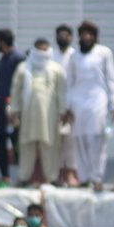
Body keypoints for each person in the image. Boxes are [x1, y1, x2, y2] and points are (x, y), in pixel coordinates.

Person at [65, 21, 114, 191]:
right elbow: (69, 82)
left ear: (95, 37)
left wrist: (113, 104)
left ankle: (96, 177)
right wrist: (67, 107)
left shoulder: (104, 53)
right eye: (83, 34)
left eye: (90, 34)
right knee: (80, 140)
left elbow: (111, 79)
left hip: (98, 101)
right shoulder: (74, 56)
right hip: (77, 103)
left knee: (96, 140)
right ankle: (83, 177)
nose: (86, 37)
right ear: (79, 36)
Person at [9, 39, 67, 185]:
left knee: (50, 146)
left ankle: (52, 178)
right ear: (34, 50)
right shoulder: (23, 68)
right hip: (28, 114)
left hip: (50, 115)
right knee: (26, 146)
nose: (41, 54)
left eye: (44, 50)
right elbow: (15, 92)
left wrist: (62, 111)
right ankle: (24, 177)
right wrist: (14, 111)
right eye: (39, 51)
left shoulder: (56, 69)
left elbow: (61, 92)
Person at [0, 29, 26, 185]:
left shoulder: (18, 58)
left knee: (16, 141)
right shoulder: (3, 58)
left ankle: (23, 174)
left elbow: (19, 84)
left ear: (2, 41)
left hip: (12, 108)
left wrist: (14, 106)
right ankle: (5, 175)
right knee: (1, 142)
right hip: (0, 106)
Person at [52, 25, 79, 184]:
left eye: (66, 35)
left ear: (71, 38)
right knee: (56, 142)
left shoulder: (74, 56)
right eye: (60, 35)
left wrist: (69, 107)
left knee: (70, 142)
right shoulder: (51, 56)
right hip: (54, 105)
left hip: (72, 106)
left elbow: (75, 83)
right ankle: (56, 174)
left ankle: (70, 173)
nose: (63, 38)